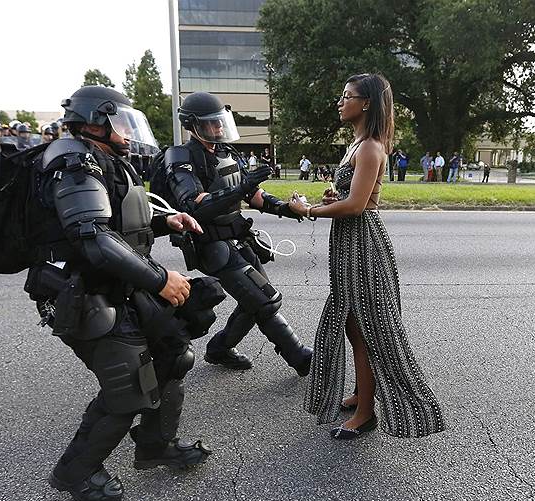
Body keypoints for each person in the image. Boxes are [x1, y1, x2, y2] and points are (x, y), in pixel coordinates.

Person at [15, 86, 215, 501]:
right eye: (120, 121)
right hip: (84, 294)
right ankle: (76, 471)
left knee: (173, 355)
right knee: (128, 387)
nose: (128, 130)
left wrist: (165, 221)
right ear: (94, 122)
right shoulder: (72, 163)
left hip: (119, 286)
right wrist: (161, 279)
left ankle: (156, 444)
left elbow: (118, 223)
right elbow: (94, 239)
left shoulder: (100, 159)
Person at [288, 73, 446, 440]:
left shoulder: (372, 146)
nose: (341, 102)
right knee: (351, 323)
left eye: (348, 96)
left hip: (363, 243)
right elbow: (349, 197)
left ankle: (366, 412)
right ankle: (363, 392)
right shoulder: (356, 145)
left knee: (368, 328)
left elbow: (358, 205)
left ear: (367, 103)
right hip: (349, 242)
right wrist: (332, 198)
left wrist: (309, 209)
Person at [163, 91, 312, 376]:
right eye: (212, 123)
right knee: (265, 300)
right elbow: (193, 205)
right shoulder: (180, 156)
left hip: (238, 238)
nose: (219, 128)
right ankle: (300, 357)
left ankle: (219, 349)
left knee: (254, 300)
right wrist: (241, 189)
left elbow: (253, 194)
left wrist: (285, 209)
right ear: (192, 125)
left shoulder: (226, 153)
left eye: (220, 122)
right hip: (211, 244)